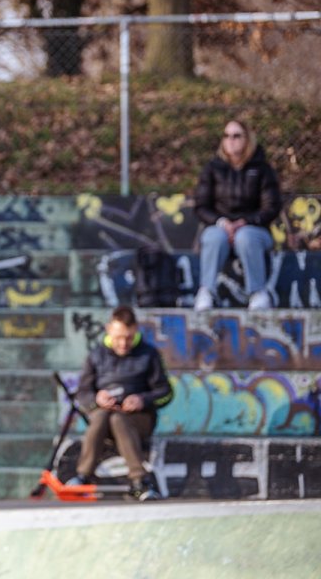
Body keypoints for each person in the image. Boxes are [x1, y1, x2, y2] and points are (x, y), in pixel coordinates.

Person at [69, 305, 173, 501]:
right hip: (103, 420)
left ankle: (139, 481)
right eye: (119, 337)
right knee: (103, 415)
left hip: (139, 420)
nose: (123, 343)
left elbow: (166, 393)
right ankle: (83, 477)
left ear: (135, 331)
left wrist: (142, 400)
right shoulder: (96, 355)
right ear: (109, 329)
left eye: (128, 337)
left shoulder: (149, 355)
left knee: (118, 418)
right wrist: (96, 399)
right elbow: (82, 393)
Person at [192, 119, 283, 311]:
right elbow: (201, 206)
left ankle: (258, 293)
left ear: (247, 139)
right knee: (213, 237)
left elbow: (272, 207)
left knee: (246, 237)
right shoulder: (212, 169)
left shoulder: (262, 169)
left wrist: (246, 222)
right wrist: (221, 222)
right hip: (221, 228)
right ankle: (207, 292)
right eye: (226, 136)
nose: (230, 140)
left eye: (236, 136)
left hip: (255, 231)